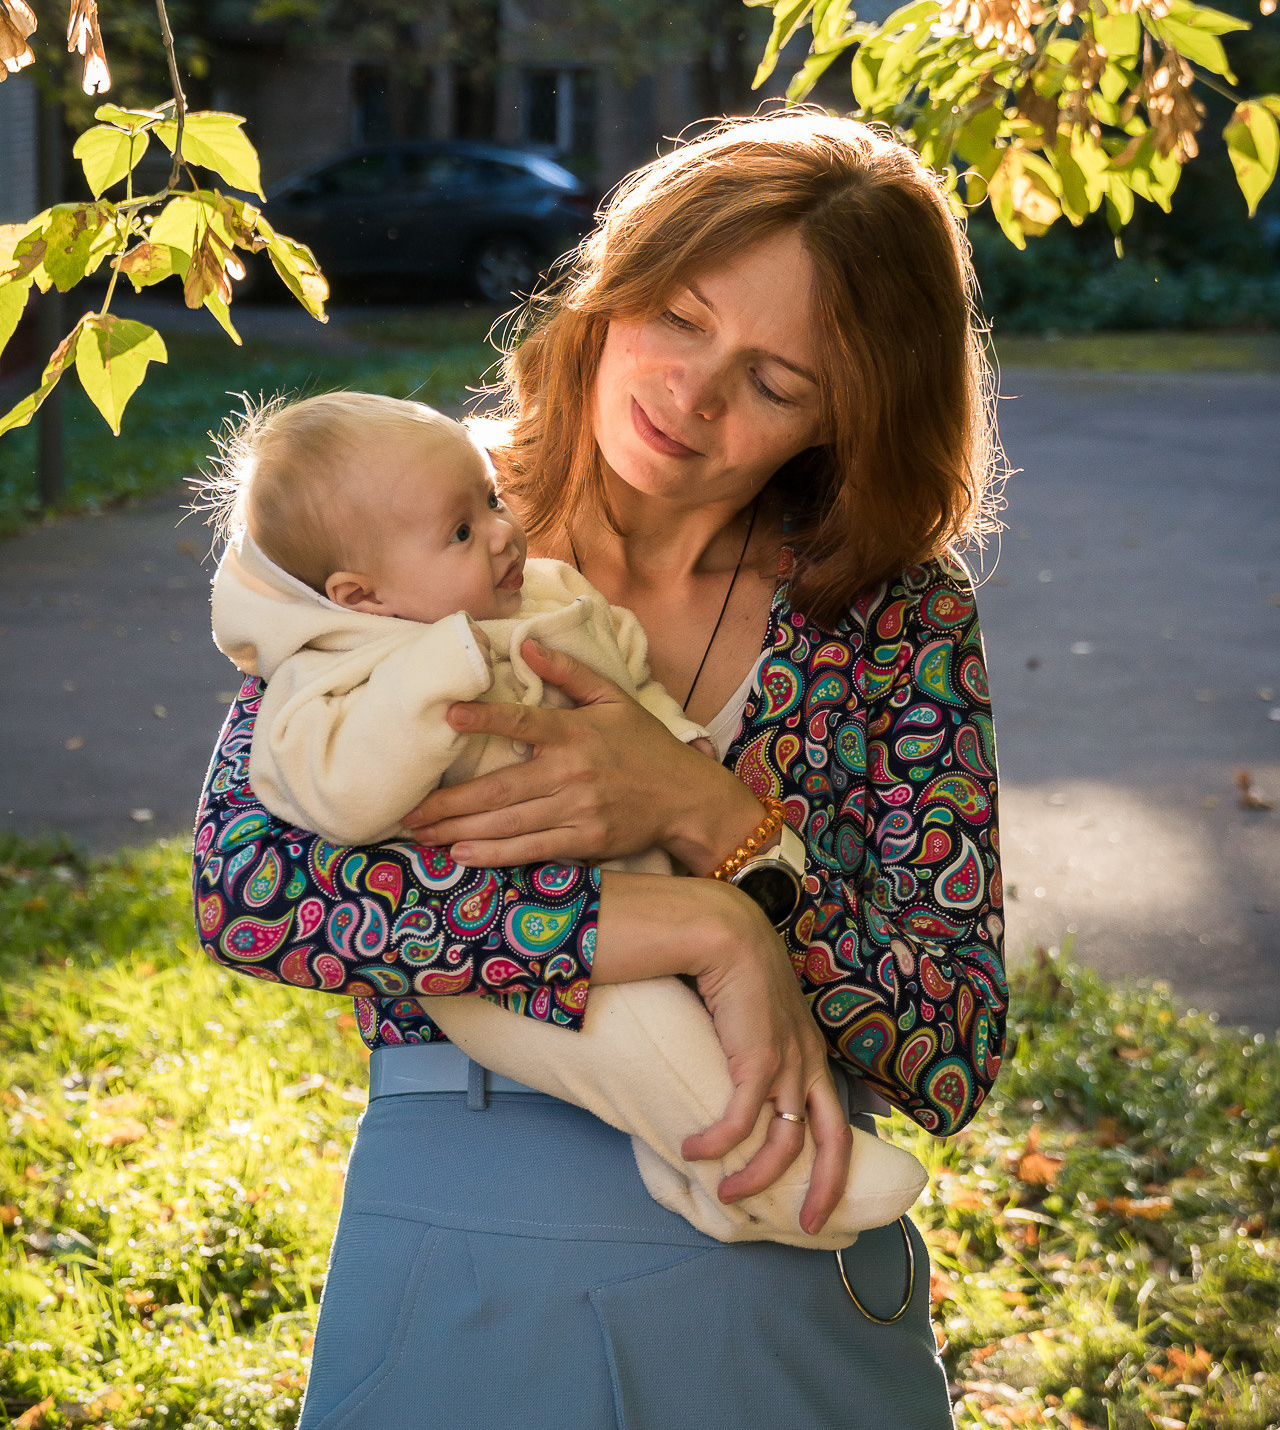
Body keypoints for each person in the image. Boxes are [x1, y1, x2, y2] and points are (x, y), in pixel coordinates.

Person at [193, 115, 1007, 1429]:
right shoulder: (420, 511)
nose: (692, 395)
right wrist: (696, 931)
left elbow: (949, 1041)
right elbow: (253, 891)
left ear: (848, 416)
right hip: (460, 1227)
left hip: (782, 1246)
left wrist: (717, 823)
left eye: (775, 382)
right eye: (677, 317)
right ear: (614, 283)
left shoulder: (891, 613)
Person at [204, 390, 927, 1244]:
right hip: (492, 981)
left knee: (682, 1034)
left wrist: (684, 760)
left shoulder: (545, 597)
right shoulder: (338, 667)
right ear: (361, 596)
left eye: (491, 502)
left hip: (637, 880)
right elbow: (270, 869)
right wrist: (440, 666)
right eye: (462, 531)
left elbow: (624, 672)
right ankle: (782, 1179)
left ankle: (704, 1179)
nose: (502, 532)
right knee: (639, 1038)